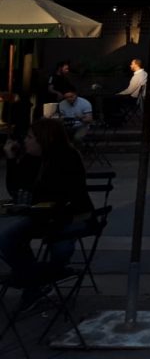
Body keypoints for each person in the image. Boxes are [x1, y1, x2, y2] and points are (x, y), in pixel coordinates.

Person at [0, 119, 93, 310]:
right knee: (7, 237)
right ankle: (34, 281)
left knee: (60, 246)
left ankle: (40, 279)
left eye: (30, 137)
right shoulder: (33, 158)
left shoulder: (67, 157)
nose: (26, 141)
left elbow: (62, 195)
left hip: (70, 216)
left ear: (44, 139)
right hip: (43, 217)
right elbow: (17, 190)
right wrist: (12, 160)